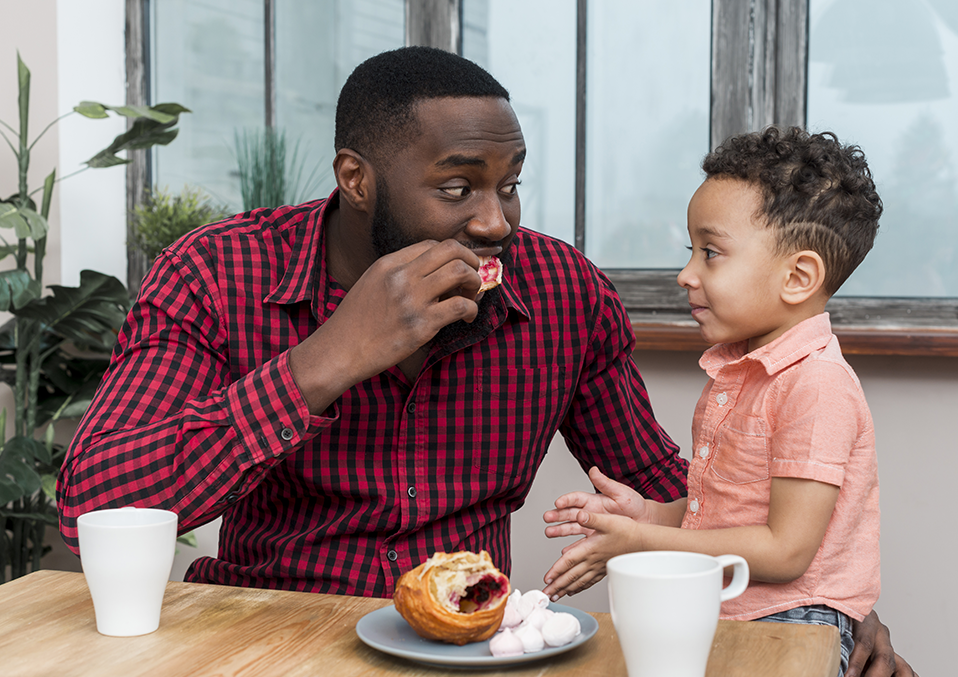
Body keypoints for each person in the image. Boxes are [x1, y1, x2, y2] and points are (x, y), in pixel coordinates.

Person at [56, 48, 909, 675]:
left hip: (468, 647)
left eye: (511, 184)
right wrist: (325, 359)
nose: (497, 221)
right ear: (357, 179)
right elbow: (93, 500)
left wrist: (824, 612)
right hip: (258, 634)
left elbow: (670, 492)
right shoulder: (216, 274)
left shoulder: (561, 291)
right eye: (458, 187)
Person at [542, 126, 904, 677]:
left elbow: (786, 552)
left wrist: (641, 540)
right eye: (690, 251)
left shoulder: (817, 386)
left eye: (710, 253)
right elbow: (722, 516)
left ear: (799, 276)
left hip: (793, 623)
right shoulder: (737, 375)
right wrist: (646, 515)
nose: (686, 274)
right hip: (730, 613)